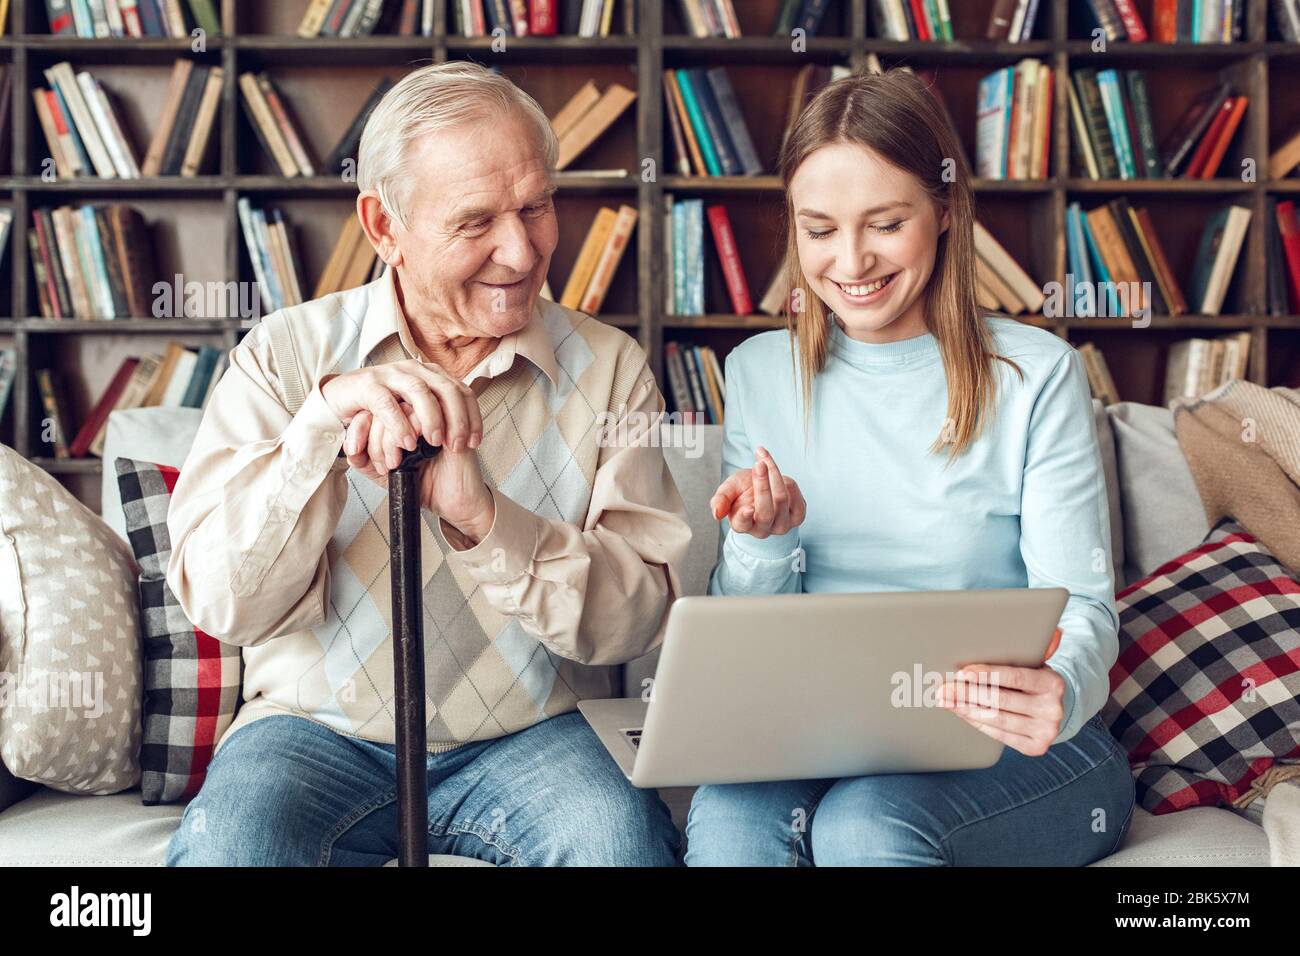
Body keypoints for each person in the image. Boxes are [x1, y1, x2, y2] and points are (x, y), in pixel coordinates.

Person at [163, 62, 690, 866]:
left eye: (536, 207)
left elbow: (638, 620)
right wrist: (317, 438)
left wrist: (488, 522)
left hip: (534, 735)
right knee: (228, 849)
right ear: (383, 226)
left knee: (621, 846)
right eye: (476, 221)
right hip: (313, 735)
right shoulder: (283, 356)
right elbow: (224, 603)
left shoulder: (612, 369)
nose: (520, 251)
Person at [684, 69, 1136, 866]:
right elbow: (747, 633)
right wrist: (761, 542)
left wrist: (1062, 689)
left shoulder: (1039, 374)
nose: (849, 260)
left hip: (1015, 742)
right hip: (815, 734)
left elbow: (1084, 606)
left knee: (865, 827)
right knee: (729, 827)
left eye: (885, 223)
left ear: (947, 209)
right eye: (818, 229)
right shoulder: (759, 370)